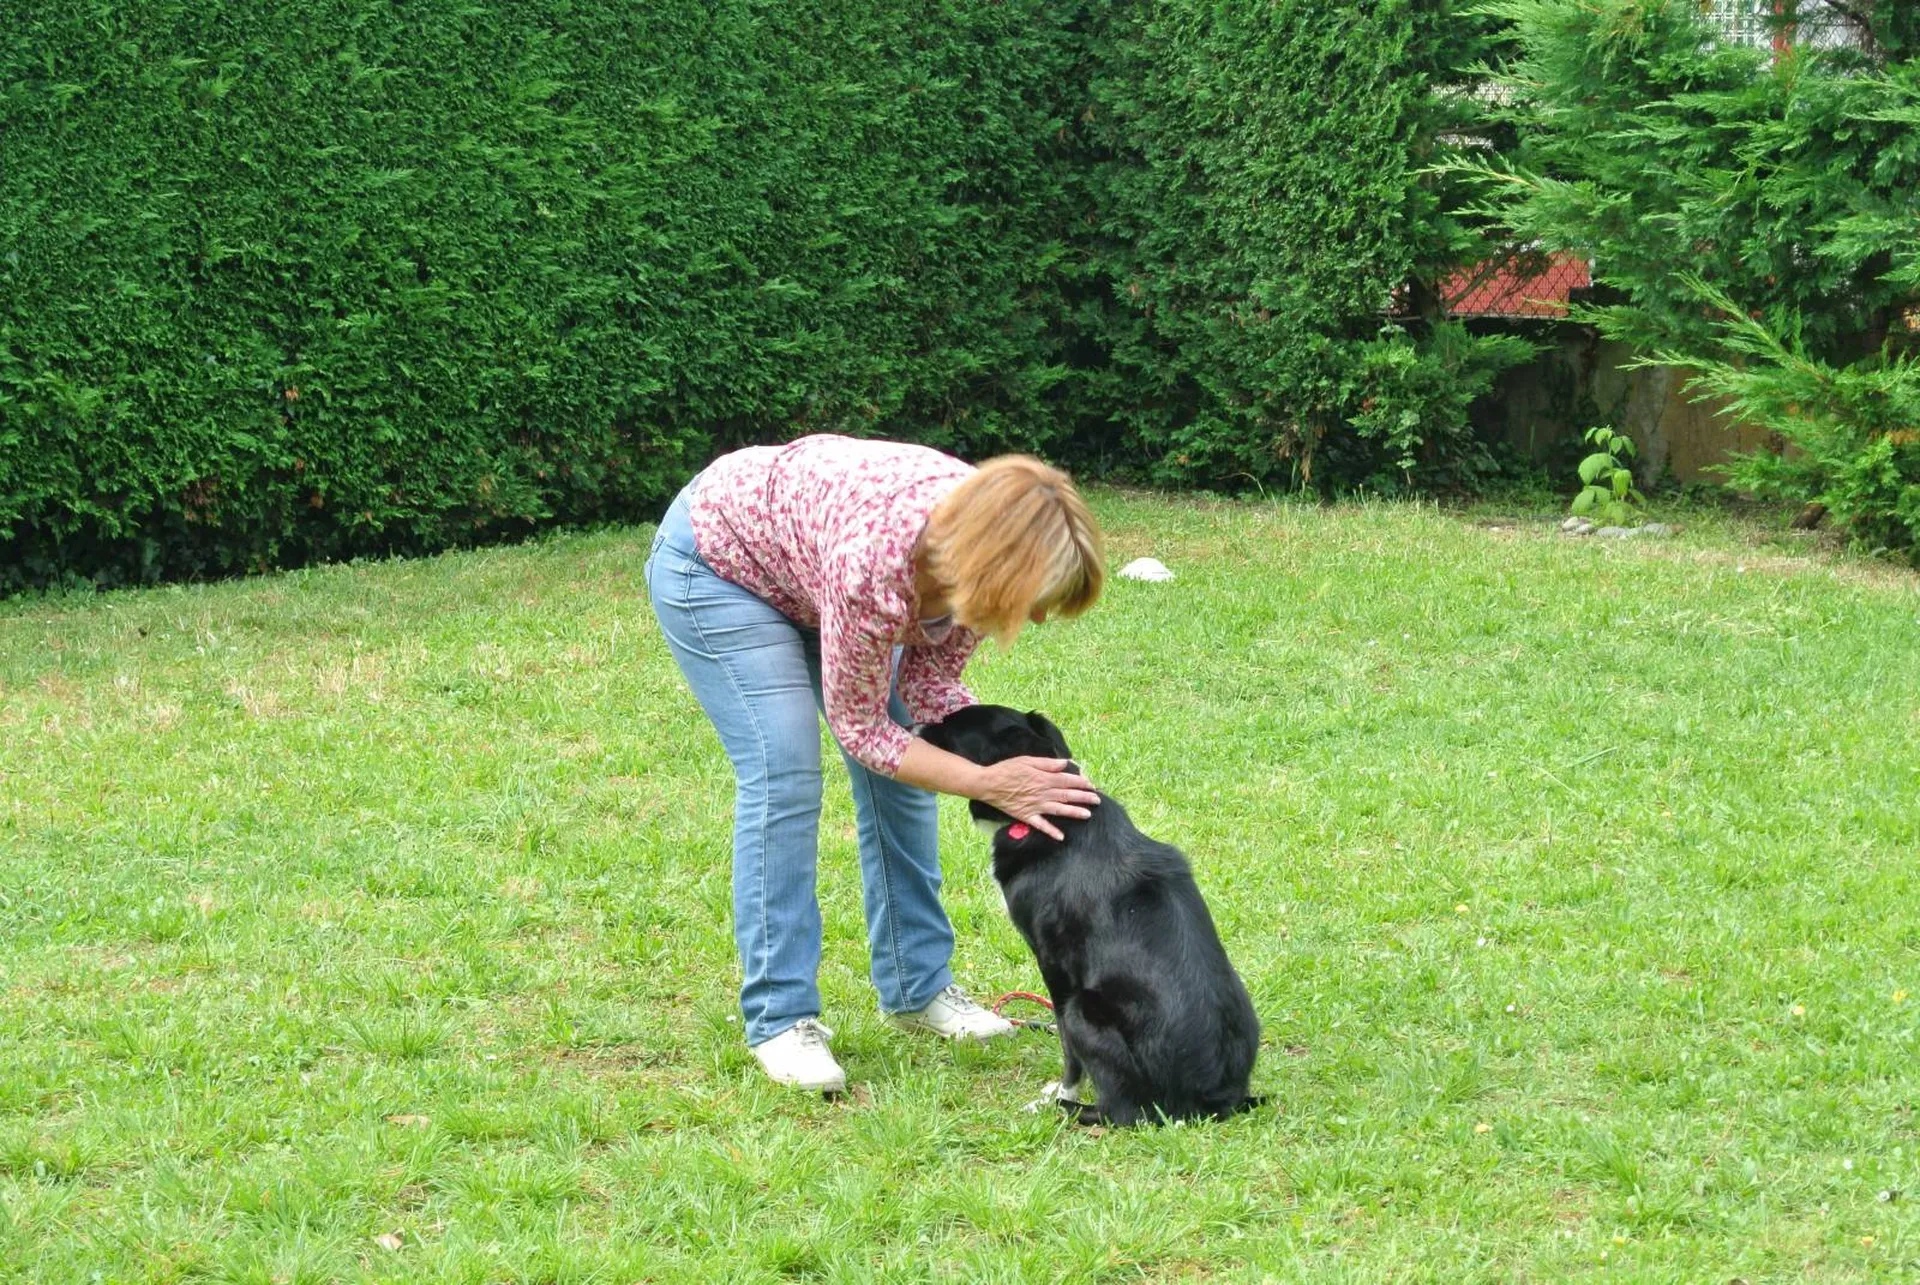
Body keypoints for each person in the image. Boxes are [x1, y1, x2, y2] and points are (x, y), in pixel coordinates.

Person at [644, 434, 1106, 1092]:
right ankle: (781, 1018)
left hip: (816, 569)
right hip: (723, 568)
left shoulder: (975, 551)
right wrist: (986, 783)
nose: (1033, 616)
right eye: (1035, 597)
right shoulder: (878, 560)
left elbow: (928, 692)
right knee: (784, 772)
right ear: (1000, 567)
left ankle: (917, 988)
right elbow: (862, 728)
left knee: (910, 776)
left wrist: (1025, 765)